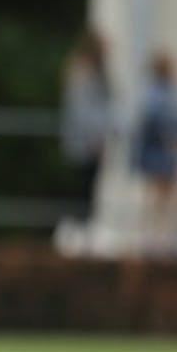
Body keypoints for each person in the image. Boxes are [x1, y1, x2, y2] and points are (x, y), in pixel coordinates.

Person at [132, 49, 177, 258]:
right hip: (160, 155)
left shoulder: (162, 93)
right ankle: (155, 241)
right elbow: (157, 123)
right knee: (158, 199)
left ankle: (159, 240)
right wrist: (171, 137)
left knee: (162, 199)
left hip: (163, 155)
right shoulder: (159, 95)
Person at [59, 29, 114, 220]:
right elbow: (82, 109)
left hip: (93, 139)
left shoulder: (96, 72)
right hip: (85, 141)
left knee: (88, 186)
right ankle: (76, 224)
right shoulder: (82, 72)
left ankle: (83, 224)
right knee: (81, 187)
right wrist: (94, 136)